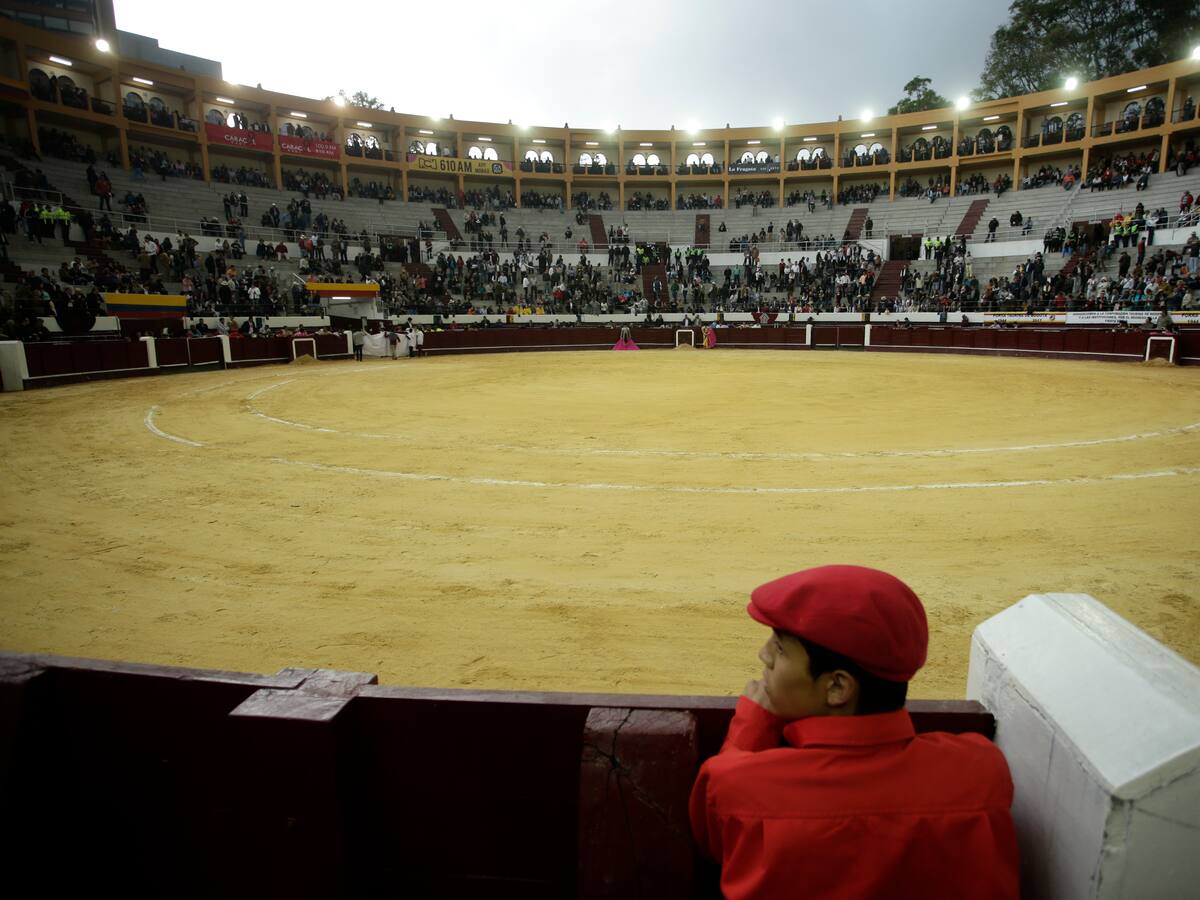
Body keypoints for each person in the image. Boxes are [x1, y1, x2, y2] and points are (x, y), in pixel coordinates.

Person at [690, 565, 1020, 900]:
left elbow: (714, 843)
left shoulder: (736, 783)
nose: (764, 655)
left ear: (837, 687)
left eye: (780, 648)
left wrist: (751, 729)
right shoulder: (982, 769)